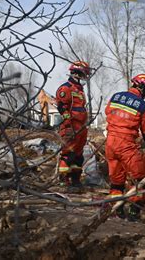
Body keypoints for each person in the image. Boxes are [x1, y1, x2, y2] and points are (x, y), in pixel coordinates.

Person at [105, 74, 145, 221]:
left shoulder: (116, 97)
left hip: (110, 143)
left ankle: (117, 211)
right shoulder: (142, 106)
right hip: (126, 145)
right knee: (139, 178)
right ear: (143, 89)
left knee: (117, 180)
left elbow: (108, 114)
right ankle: (134, 212)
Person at [56, 61, 90, 193]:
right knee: (68, 154)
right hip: (71, 127)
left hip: (81, 128)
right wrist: (69, 125)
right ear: (77, 72)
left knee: (78, 156)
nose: (85, 75)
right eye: (84, 73)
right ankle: (64, 181)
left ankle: (75, 180)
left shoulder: (80, 90)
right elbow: (62, 108)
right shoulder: (66, 88)